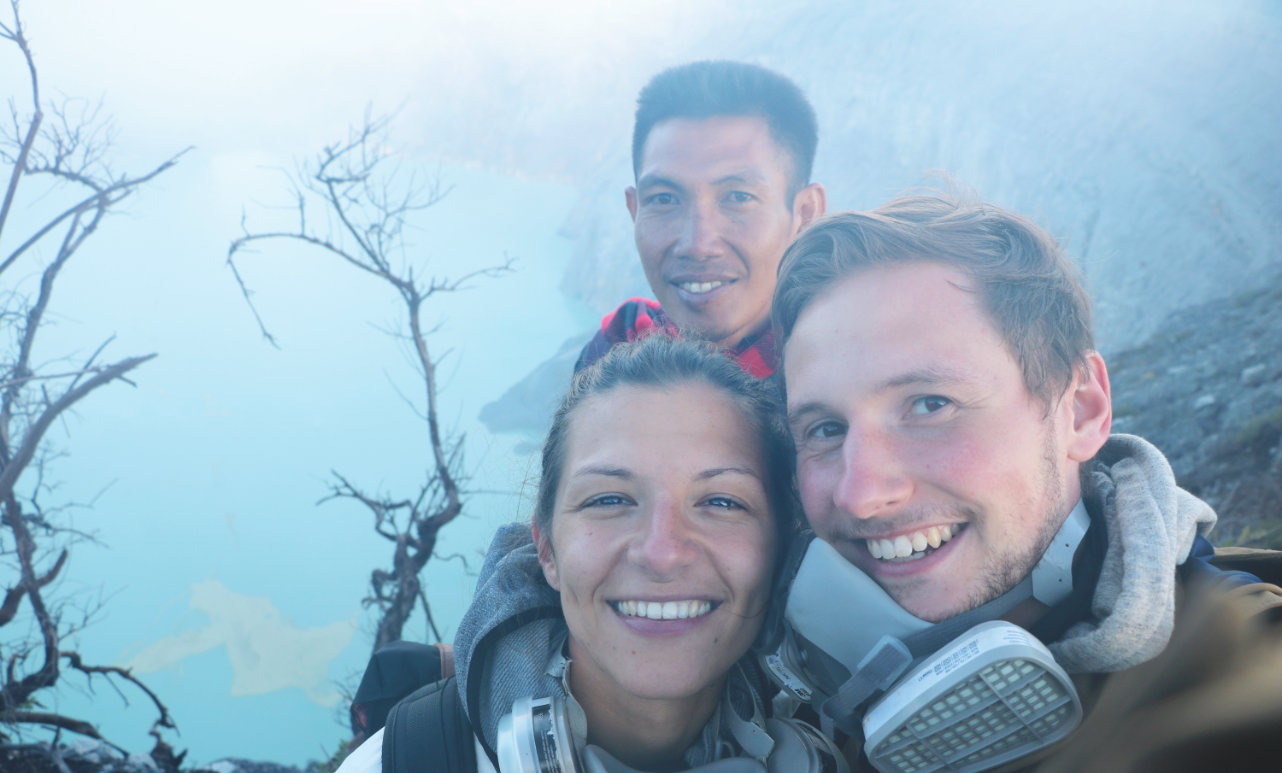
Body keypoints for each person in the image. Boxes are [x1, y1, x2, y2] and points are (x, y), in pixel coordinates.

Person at [766, 193, 1282, 771]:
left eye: (930, 404)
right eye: (826, 429)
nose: (862, 495)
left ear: (1081, 410)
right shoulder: (774, 712)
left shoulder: (1251, 688)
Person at [339, 335, 839, 773]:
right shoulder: (399, 762)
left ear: (780, 548)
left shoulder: (846, 743)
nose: (662, 553)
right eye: (609, 500)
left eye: (722, 502)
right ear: (546, 549)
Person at [575, 60, 827, 378]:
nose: (697, 245)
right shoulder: (617, 346)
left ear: (805, 214)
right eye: (664, 199)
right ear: (635, 211)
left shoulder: (842, 369)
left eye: (738, 197)